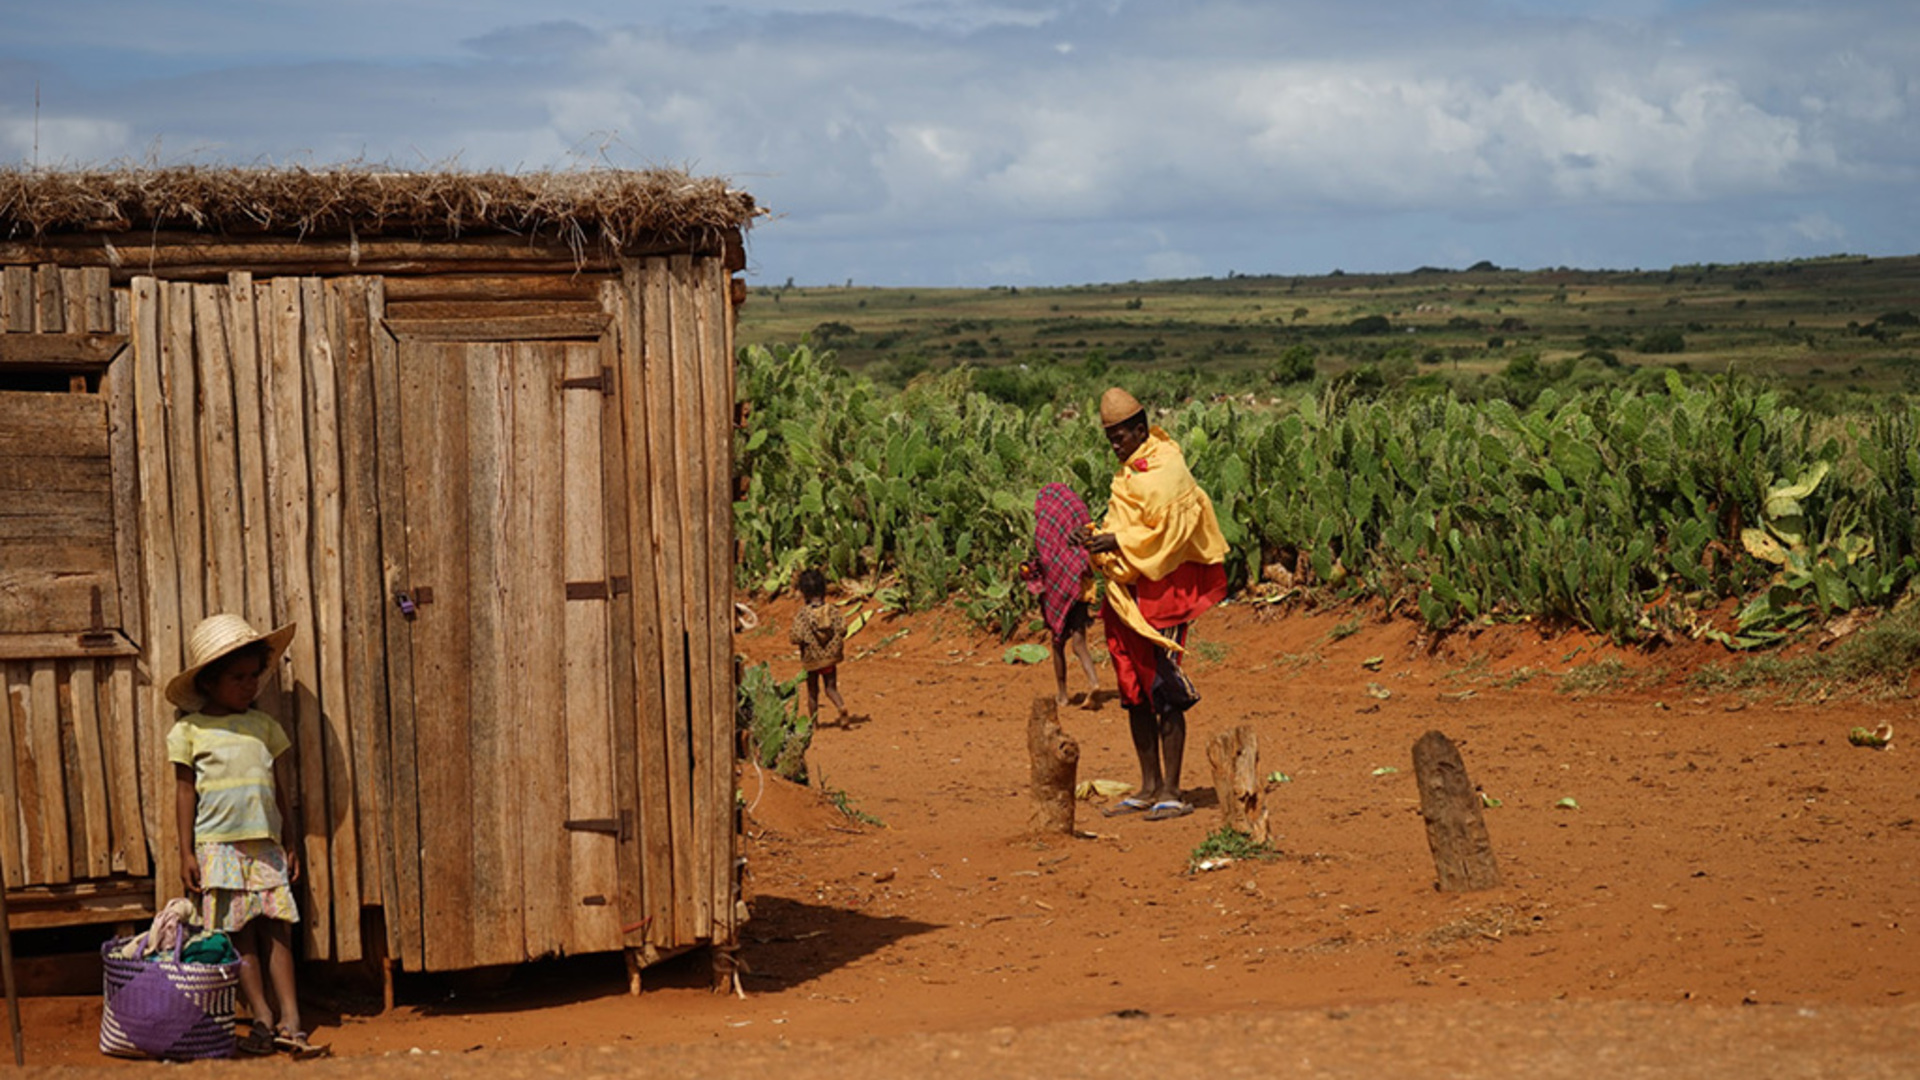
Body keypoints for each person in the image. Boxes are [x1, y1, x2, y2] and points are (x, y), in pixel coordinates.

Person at [165, 614, 328, 1059]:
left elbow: (279, 790)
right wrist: (186, 851)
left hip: (265, 845)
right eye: (238, 677)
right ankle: (261, 1017)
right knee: (238, 935)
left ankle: (292, 1020)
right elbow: (184, 793)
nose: (250, 685)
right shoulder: (189, 731)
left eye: (254, 675)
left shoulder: (265, 727)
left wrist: (290, 841)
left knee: (277, 931)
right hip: (217, 847)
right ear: (210, 683)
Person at [1075, 388, 1229, 822]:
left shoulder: (1167, 469)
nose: (1115, 446)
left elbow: (1168, 534)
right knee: (1133, 688)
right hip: (1127, 593)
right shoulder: (1130, 473)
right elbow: (1121, 524)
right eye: (1110, 439)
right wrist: (1095, 538)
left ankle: (1172, 790)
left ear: (1140, 429)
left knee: (1164, 687)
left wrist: (1118, 540)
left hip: (1163, 592)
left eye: (1120, 437)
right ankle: (1146, 787)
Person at [1022, 482, 1101, 709]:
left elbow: (1047, 558)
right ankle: (1094, 682)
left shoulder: (1046, 521)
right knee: (1079, 641)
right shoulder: (1075, 510)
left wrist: (1032, 573)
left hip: (1057, 588)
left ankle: (1063, 694)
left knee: (1058, 642)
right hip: (1079, 584)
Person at [789, 568, 848, 724]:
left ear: (804, 592)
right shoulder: (833, 611)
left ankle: (814, 723)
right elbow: (843, 629)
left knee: (812, 693)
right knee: (831, 688)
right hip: (830, 659)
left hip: (812, 660)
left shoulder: (803, 615)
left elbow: (795, 636)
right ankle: (841, 706)